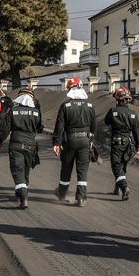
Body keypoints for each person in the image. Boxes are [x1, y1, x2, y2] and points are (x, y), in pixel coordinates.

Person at [0, 86, 42, 209]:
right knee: (26, 169)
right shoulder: (36, 112)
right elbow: (39, 128)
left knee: (17, 169)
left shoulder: (13, 111)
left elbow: (5, 130)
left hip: (15, 144)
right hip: (31, 145)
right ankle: (23, 190)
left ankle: (23, 195)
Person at [52, 77, 96, 207]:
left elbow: (59, 127)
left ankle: (62, 193)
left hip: (69, 141)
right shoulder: (90, 105)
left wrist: (56, 143)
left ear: (71, 89)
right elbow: (94, 127)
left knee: (66, 167)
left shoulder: (65, 106)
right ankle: (81, 198)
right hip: (85, 140)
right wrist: (91, 141)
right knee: (82, 170)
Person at [103, 87, 139, 200]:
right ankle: (117, 187)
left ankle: (124, 187)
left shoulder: (113, 111)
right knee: (122, 165)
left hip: (116, 143)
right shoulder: (133, 114)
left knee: (116, 166)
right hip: (128, 144)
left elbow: (106, 121)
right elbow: (136, 131)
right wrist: (138, 146)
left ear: (117, 99)